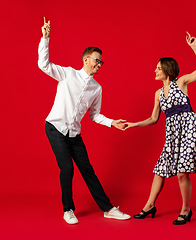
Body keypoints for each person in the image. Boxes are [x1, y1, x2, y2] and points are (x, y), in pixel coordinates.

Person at [38, 17, 130, 224]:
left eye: (101, 61)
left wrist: (112, 122)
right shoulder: (68, 74)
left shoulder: (97, 88)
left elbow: (94, 115)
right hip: (54, 127)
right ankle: (68, 209)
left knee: (88, 170)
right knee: (68, 168)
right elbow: (43, 64)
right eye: (97, 60)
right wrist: (46, 38)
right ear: (86, 60)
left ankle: (108, 209)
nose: (99, 64)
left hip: (74, 134)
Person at [123, 32, 196, 225]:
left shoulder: (182, 82)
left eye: (158, 68)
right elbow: (153, 119)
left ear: (168, 70)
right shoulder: (158, 93)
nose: (155, 70)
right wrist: (134, 124)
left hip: (189, 130)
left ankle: (186, 210)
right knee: (160, 170)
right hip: (173, 135)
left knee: (181, 172)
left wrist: (194, 47)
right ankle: (149, 205)